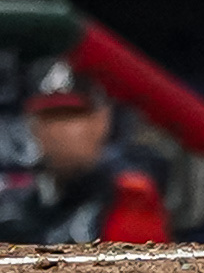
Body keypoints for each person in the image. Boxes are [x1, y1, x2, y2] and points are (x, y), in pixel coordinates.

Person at [0, 63, 169, 246]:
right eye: (49, 116)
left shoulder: (128, 190)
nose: (60, 130)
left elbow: (136, 269)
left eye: (72, 115)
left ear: (101, 121)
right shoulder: (20, 201)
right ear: (33, 126)